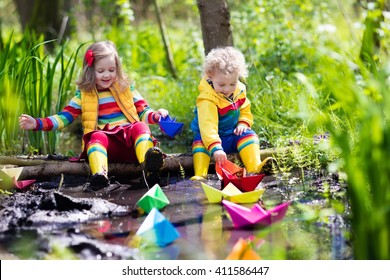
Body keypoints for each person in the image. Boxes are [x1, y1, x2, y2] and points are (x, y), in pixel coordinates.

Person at [19, 40, 168, 190]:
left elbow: (144, 111)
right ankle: (100, 176)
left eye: (111, 70)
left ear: (117, 68)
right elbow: (64, 117)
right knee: (95, 136)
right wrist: (37, 123)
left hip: (131, 146)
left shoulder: (126, 89)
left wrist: (156, 116)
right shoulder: (84, 96)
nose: (107, 75)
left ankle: (149, 170)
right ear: (90, 71)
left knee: (140, 126)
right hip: (107, 148)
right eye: (101, 71)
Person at [190, 46, 267, 180]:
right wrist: (216, 148)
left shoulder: (239, 91)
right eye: (221, 84)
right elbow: (208, 126)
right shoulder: (207, 99)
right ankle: (200, 174)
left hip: (231, 135)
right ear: (210, 76)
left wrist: (243, 122)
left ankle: (255, 167)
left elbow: (245, 109)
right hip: (210, 141)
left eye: (232, 84)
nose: (227, 89)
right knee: (199, 141)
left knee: (249, 135)